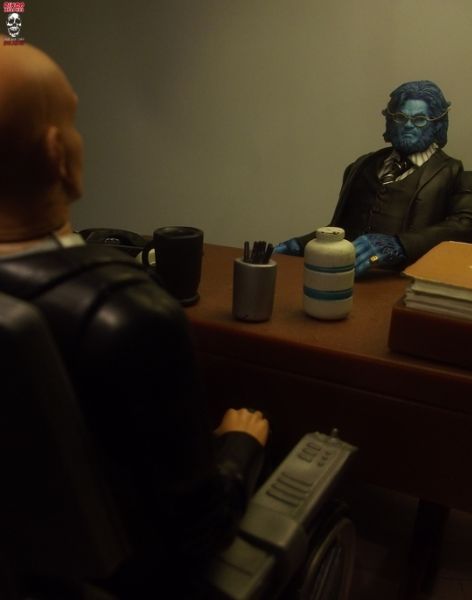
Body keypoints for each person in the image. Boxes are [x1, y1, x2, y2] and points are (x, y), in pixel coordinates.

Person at [0, 39, 269, 596]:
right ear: (58, 154)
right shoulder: (128, 314)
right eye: (73, 122)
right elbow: (201, 528)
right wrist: (239, 447)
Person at [275, 80, 472, 276]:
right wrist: (301, 245)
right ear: (390, 121)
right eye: (401, 117)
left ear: (437, 125)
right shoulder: (361, 166)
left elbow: (464, 228)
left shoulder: (458, 176)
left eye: (420, 119)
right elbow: (341, 229)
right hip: (346, 277)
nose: (408, 125)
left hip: (409, 284)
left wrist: (400, 245)